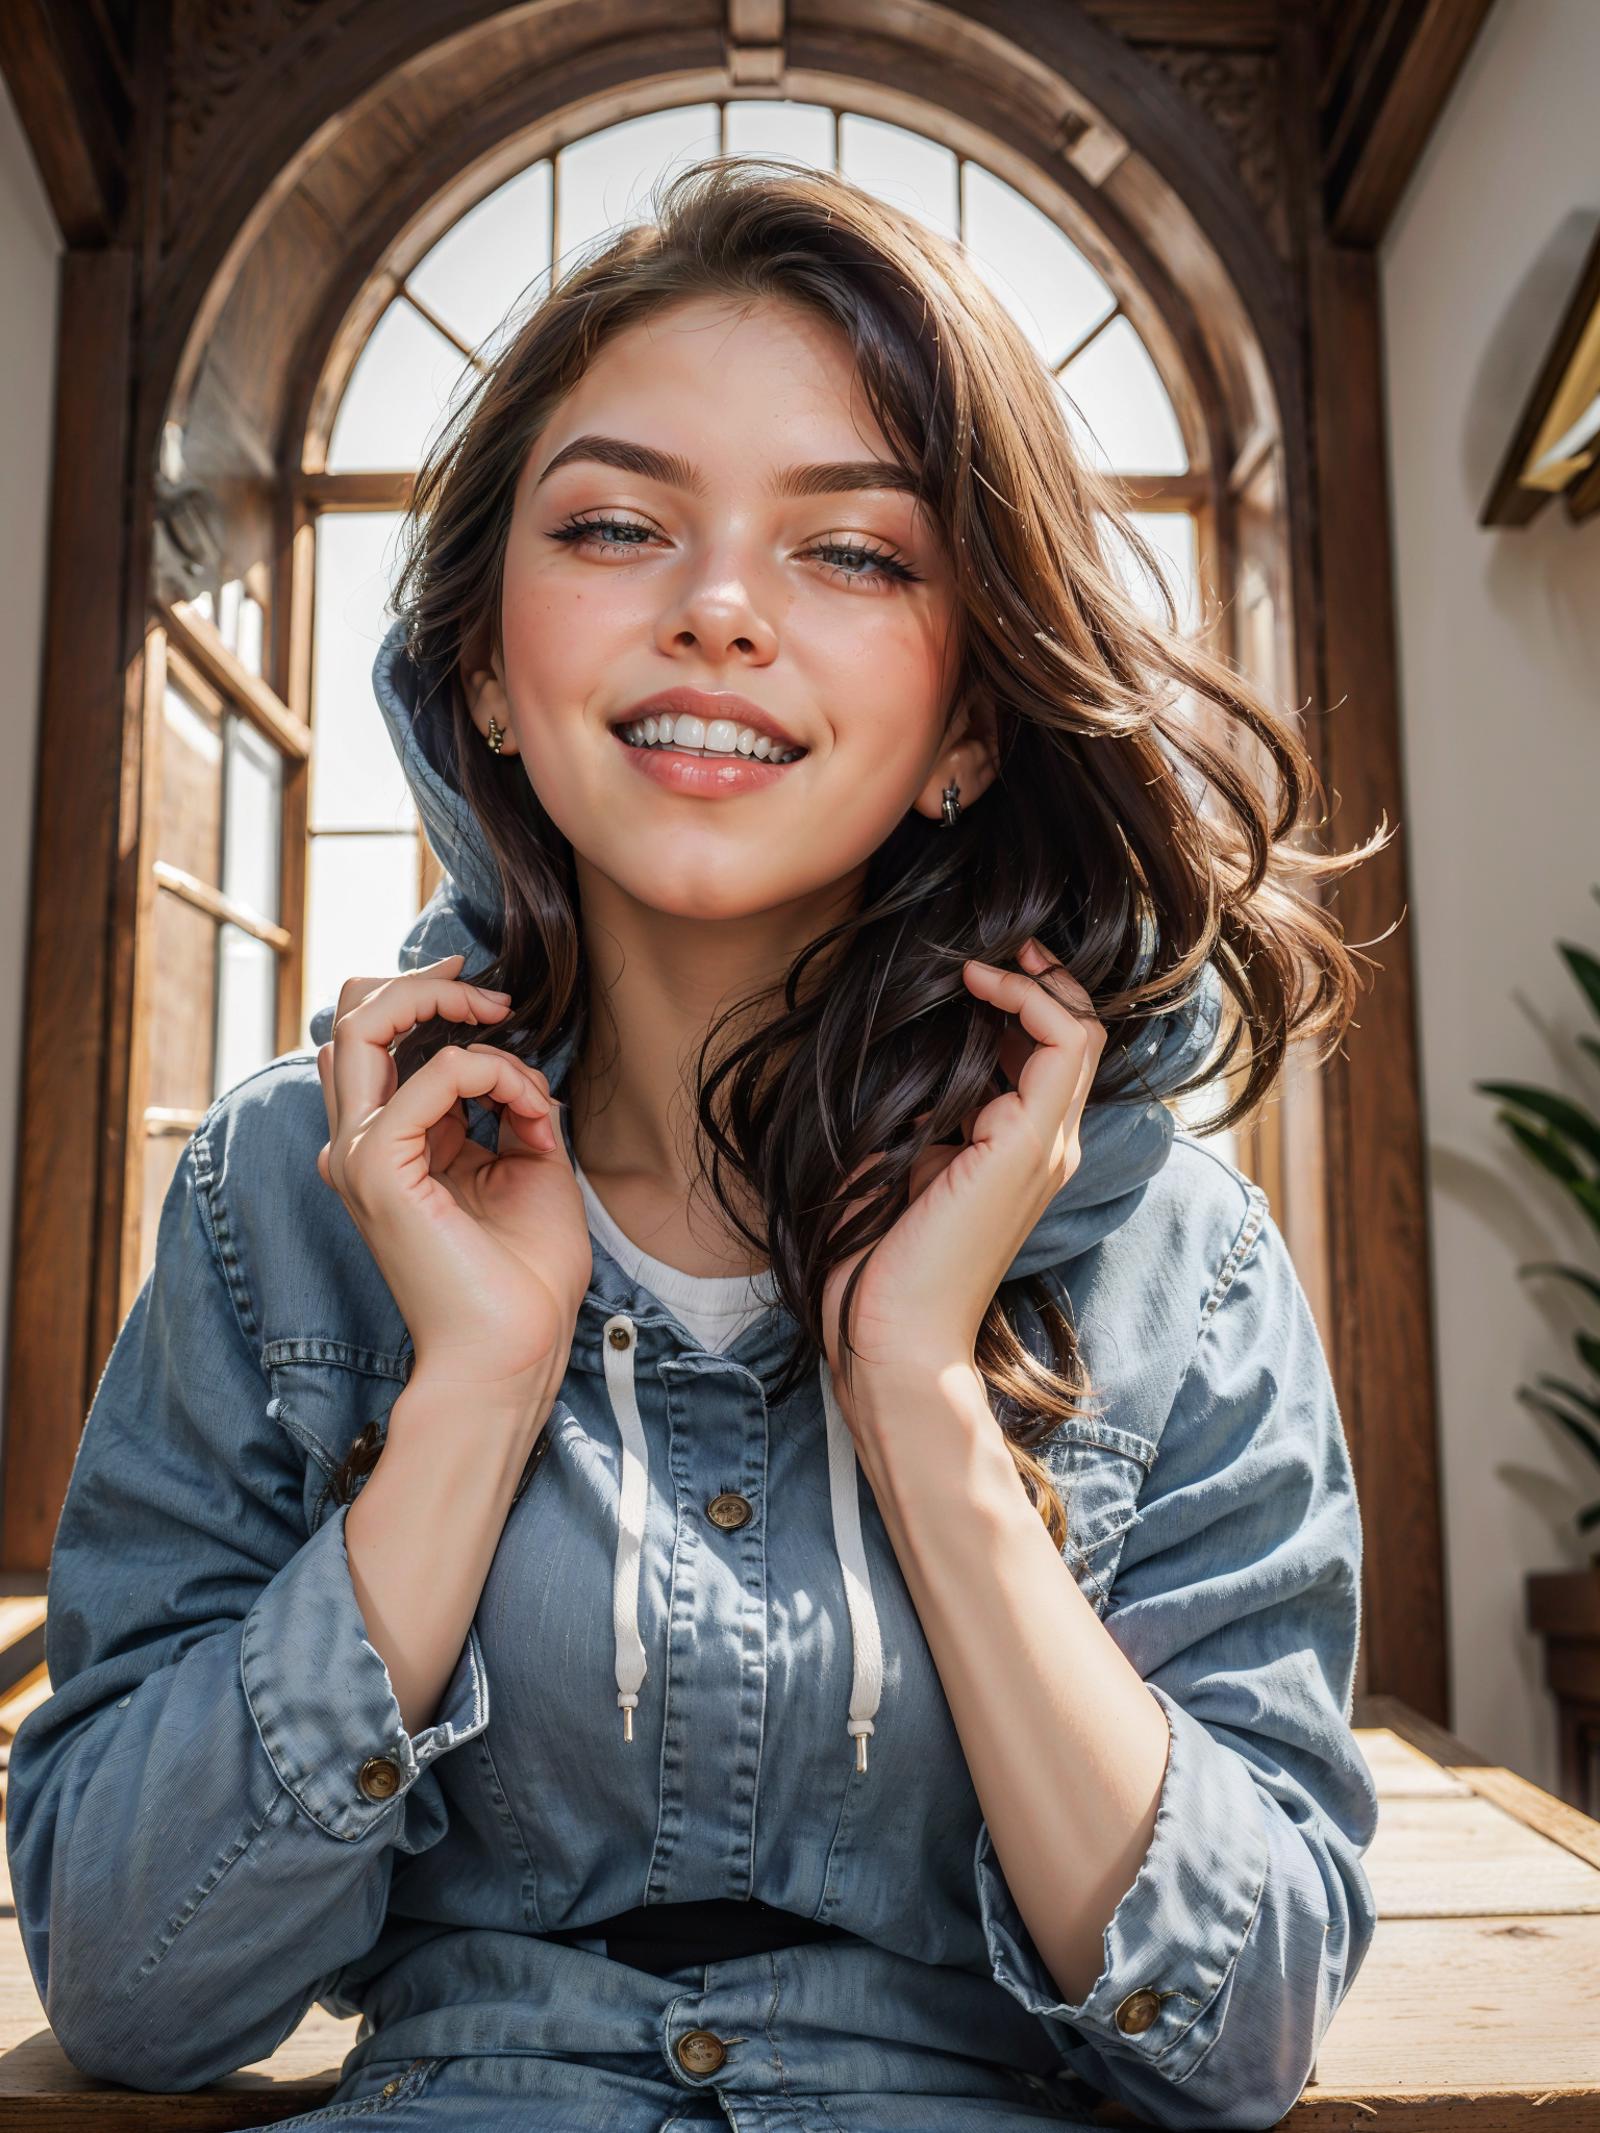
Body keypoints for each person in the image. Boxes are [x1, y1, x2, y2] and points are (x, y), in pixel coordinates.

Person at [6, 155, 1389, 2131]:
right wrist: (473, 1391)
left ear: (970, 725)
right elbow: (133, 1982)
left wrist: (915, 1392)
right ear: (484, 663)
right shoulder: (281, 1197)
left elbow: (1235, 2032)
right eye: (615, 523)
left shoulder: (1182, 1256)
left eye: (853, 553)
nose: (716, 608)